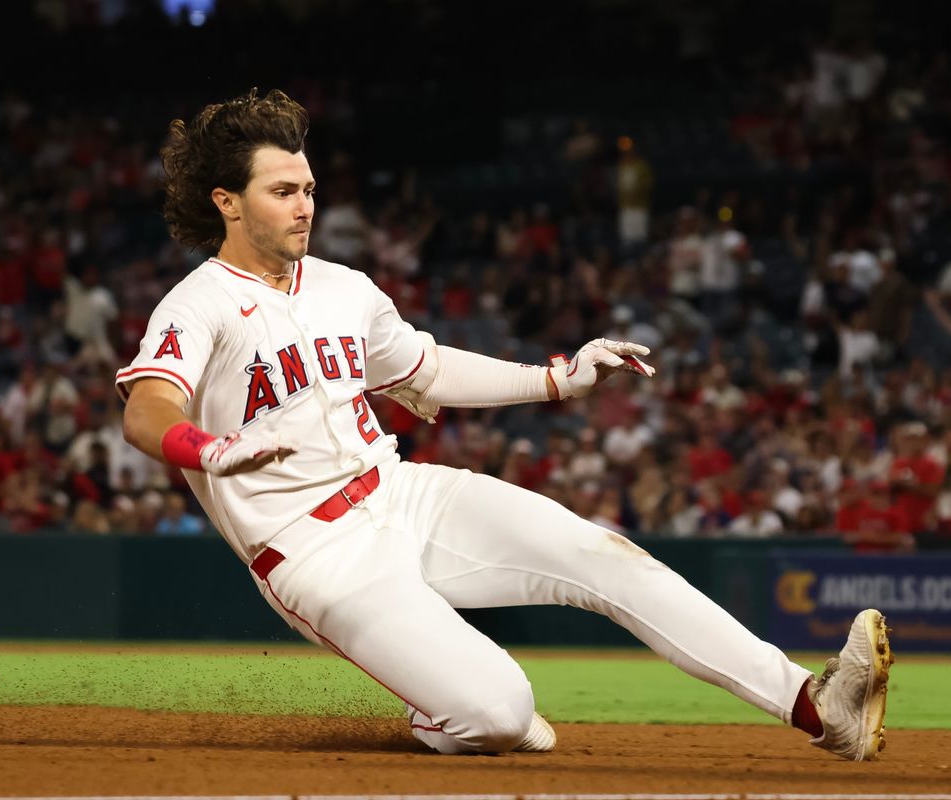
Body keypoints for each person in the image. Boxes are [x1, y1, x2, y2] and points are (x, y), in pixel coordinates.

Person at [116, 88, 891, 760]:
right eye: (283, 190)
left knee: (603, 554)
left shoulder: (342, 286)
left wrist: (556, 379)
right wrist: (208, 447)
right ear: (227, 200)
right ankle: (456, 713)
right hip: (315, 553)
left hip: (398, 492)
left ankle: (819, 706)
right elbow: (147, 408)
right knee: (500, 715)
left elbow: (426, 372)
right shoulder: (201, 302)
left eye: (309, 187)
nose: (305, 205)